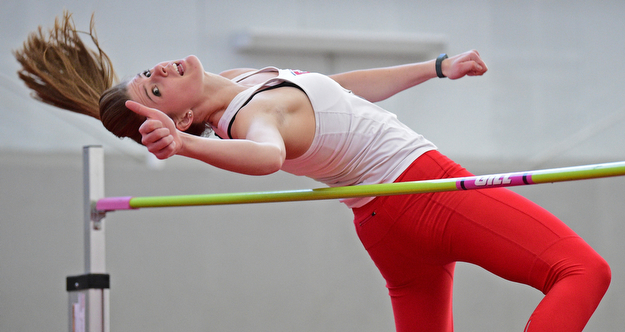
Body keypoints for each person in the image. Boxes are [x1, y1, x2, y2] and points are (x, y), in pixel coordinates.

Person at [15, 12, 610, 332]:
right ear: (186, 114)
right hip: (418, 189)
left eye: (150, 74)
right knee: (583, 270)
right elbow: (268, 157)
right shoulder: (250, 116)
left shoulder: (252, 84)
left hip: (383, 223)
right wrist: (187, 149)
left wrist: (435, 67)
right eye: (156, 88)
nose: (161, 70)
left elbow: (341, 92)